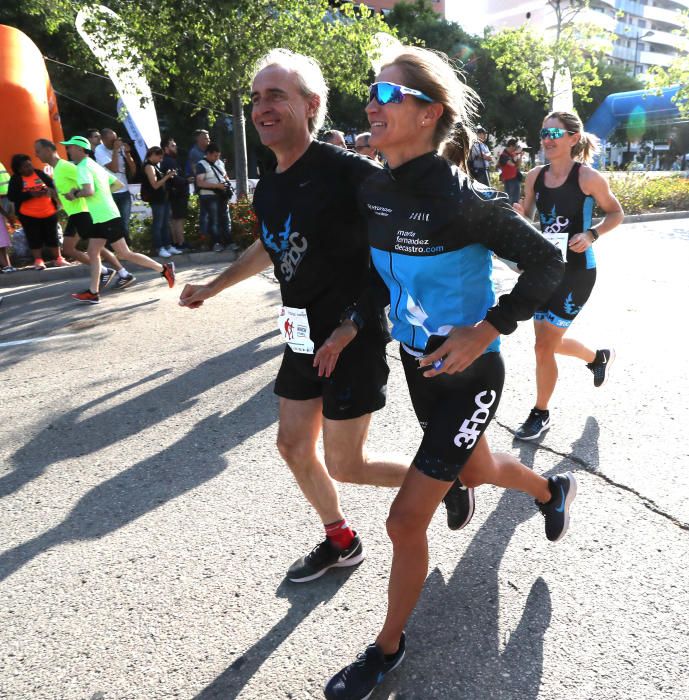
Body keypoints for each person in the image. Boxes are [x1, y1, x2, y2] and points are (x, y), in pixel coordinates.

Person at [316, 47, 574, 700]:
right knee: (480, 470)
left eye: (386, 93)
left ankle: (386, 651)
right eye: (370, 91)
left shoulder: (464, 201)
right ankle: (549, 491)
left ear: (429, 113)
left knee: (405, 521)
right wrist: (353, 323)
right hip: (416, 366)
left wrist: (489, 327)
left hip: (469, 376)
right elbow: (384, 276)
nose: (370, 102)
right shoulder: (375, 189)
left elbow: (548, 265)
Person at [180, 49, 474, 586]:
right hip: (299, 331)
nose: (262, 107)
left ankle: (444, 481)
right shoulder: (270, 185)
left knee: (347, 464)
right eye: (256, 97)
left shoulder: (352, 174)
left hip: (351, 337)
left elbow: (401, 244)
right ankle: (341, 540)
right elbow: (270, 247)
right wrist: (213, 287)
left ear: (311, 105)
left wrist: (356, 322)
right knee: (292, 445)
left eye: (276, 95)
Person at [512, 112, 624, 440]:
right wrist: (518, 214)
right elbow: (529, 214)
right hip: (545, 268)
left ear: (574, 138)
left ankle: (540, 413)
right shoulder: (534, 175)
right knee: (547, 344)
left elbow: (616, 213)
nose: (547, 138)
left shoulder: (588, 178)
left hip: (577, 272)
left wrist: (592, 234)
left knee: (543, 347)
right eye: (544, 132)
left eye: (555, 133)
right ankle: (597, 357)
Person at [61, 136, 175, 304]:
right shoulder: (95, 166)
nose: (68, 150)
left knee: (124, 253)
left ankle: (164, 269)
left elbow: (89, 191)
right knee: (93, 252)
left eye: (70, 147)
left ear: (79, 149)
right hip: (102, 216)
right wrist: (103, 195)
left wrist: (74, 194)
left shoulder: (83, 167)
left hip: (105, 216)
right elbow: (117, 185)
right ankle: (93, 292)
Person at [34, 139, 134, 290]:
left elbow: (90, 181)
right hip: (74, 212)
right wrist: (53, 193)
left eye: (38, 150)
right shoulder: (57, 169)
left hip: (83, 211)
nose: (36, 154)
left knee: (94, 247)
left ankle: (120, 272)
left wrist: (79, 193)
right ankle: (110, 271)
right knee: (76, 249)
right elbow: (65, 193)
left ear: (48, 150)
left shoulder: (67, 166)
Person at [6, 154, 69, 270]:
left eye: (30, 165)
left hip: (49, 212)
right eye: (25, 167)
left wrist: (48, 190)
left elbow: (53, 186)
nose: (29, 168)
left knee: (52, 236)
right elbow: (12, 196)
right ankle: (38, 260)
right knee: (34, 237)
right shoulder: (16, 179)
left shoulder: (39, 173)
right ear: (18, 169)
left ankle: (59, 258)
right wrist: (30, 194)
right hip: (28, 215)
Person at [94, 128, 136, 241]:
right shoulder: (99, 150)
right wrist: (116, 150)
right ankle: (113, 250)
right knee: (112, 223)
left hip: (124, 191)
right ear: (103, 140)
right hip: (110, 192)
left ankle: (126, 251)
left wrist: (127, 153)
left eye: (116, 139)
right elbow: (114, 168)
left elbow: (133, 170)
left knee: (124, 223)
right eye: (112, 141)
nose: (115, 142)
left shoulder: (120, 148)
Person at [195, 143, 236, 252]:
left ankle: (228, 242)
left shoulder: (219, 162)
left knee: (226, 219)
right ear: (208, 154)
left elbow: (225, 176)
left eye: (218, 156)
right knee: (214, 221)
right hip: (209, 196)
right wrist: (216, 186)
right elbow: (200, 183)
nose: (217, 158)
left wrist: (227, 184)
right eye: (215, 156)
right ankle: (216, 243)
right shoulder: (201, 165)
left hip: (222, 195)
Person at [141, 145, 180, 257]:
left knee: (165, 224)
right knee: (158, 224)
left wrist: (166, 175)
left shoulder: (154, 166)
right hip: (157, 200)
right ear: (152, 155)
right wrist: (167, 176)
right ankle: (159, 247)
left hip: (164, 198)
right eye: (159, 157)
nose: (161, 160)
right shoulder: (149, 166)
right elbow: (155, 185)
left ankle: (167, 246)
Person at [160, 137, 190, 251]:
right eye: (172, 145)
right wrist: (187, 180)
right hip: (177, 194)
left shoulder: (170, 160)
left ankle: (176, 243)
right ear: (166, 148)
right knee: (178, 219)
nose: (175, 147)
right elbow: (174, 178)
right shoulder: (169, 161)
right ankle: (180, 243)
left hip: (174, 194)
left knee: (175, 219)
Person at [498, 138, 523, 204]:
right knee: (511, 200)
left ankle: (514, 212)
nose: (516, 148)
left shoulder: (512, 154)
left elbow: (518, 165)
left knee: (515, 200)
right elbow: (512, 164)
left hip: (515, 178)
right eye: (515, 146)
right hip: (509, 180)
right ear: (511, 146)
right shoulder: (503, 155)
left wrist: (520, 156)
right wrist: (516, 153)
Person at [0, 158, 15, 272]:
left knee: (3, 240)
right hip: (2, 199)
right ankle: (6, 266)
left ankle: (7, 265)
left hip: (7, 197)